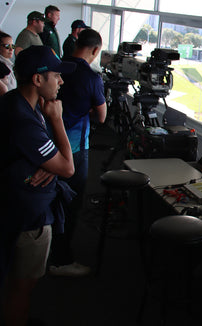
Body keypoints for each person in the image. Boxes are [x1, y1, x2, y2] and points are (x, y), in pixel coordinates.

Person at [0, 45, 75, 326]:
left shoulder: (13, 102)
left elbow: (51, 163)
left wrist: (48, 167)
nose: (61, 81)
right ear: (37, 80)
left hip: (13, 206)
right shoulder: (26, 122)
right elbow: (68, 167)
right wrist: (56, 119)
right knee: (22, 286)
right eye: (56, 75)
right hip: (27, 218)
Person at [49, 29, 106, 277]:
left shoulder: (54, 69)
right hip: (74, 151)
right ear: (95, 50)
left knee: (49, 199)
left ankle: (45, 250)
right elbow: (102, 117)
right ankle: (61, 260)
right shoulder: (91, 78)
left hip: (46, 148)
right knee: (71, 204)